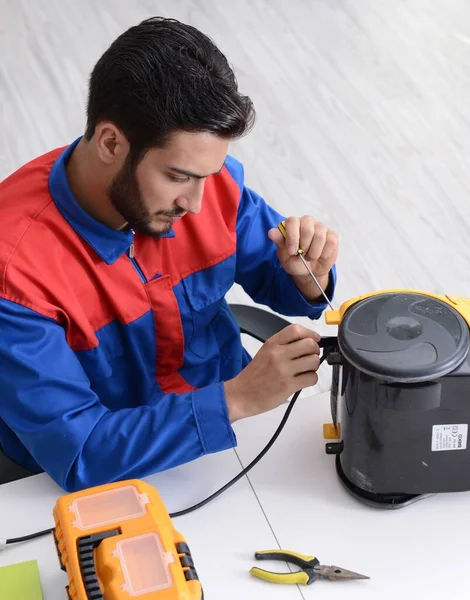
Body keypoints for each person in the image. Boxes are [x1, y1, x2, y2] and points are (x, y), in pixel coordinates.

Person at [0, 17, 338, 492]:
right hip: (116, 478)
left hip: (233, 444)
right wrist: (237, 398)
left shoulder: (207, 182)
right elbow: (80, 453)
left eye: (209, 174)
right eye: (179, 177)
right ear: (111, 143)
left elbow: (292, 284)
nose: (197, 203)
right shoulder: (14, 276)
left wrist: (308, 274)